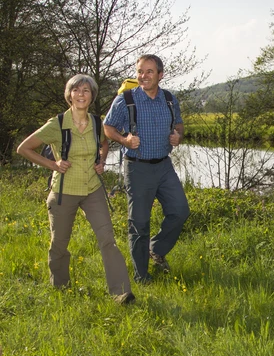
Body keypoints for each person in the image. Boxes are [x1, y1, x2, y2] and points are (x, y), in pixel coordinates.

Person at [17, 74, 135, 304]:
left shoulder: (95, 122)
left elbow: (104, 142)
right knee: (59, 243)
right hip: (64, 191)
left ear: (92, 96)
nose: (81, 94)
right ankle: (60, 288)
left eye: (86, 91)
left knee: (107, 240)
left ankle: (120, 293)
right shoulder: (57, 123)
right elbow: (24, 148)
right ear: (69, 95)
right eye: (76, 90)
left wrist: (101, 161)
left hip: (93, 190)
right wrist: (53, 164)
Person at [103, 54, 190, 284]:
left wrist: (177, 136)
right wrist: (124, 140)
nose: (143, 76)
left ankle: (156, 249)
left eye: (149, 71)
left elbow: (179, 124)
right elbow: (108, 127)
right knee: (139, 223)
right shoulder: (126, 100)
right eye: (140, 71)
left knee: (180, 211)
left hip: (164, 166)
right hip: (137, 168)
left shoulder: (170, 99)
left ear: (160, 75)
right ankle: (142, 276)